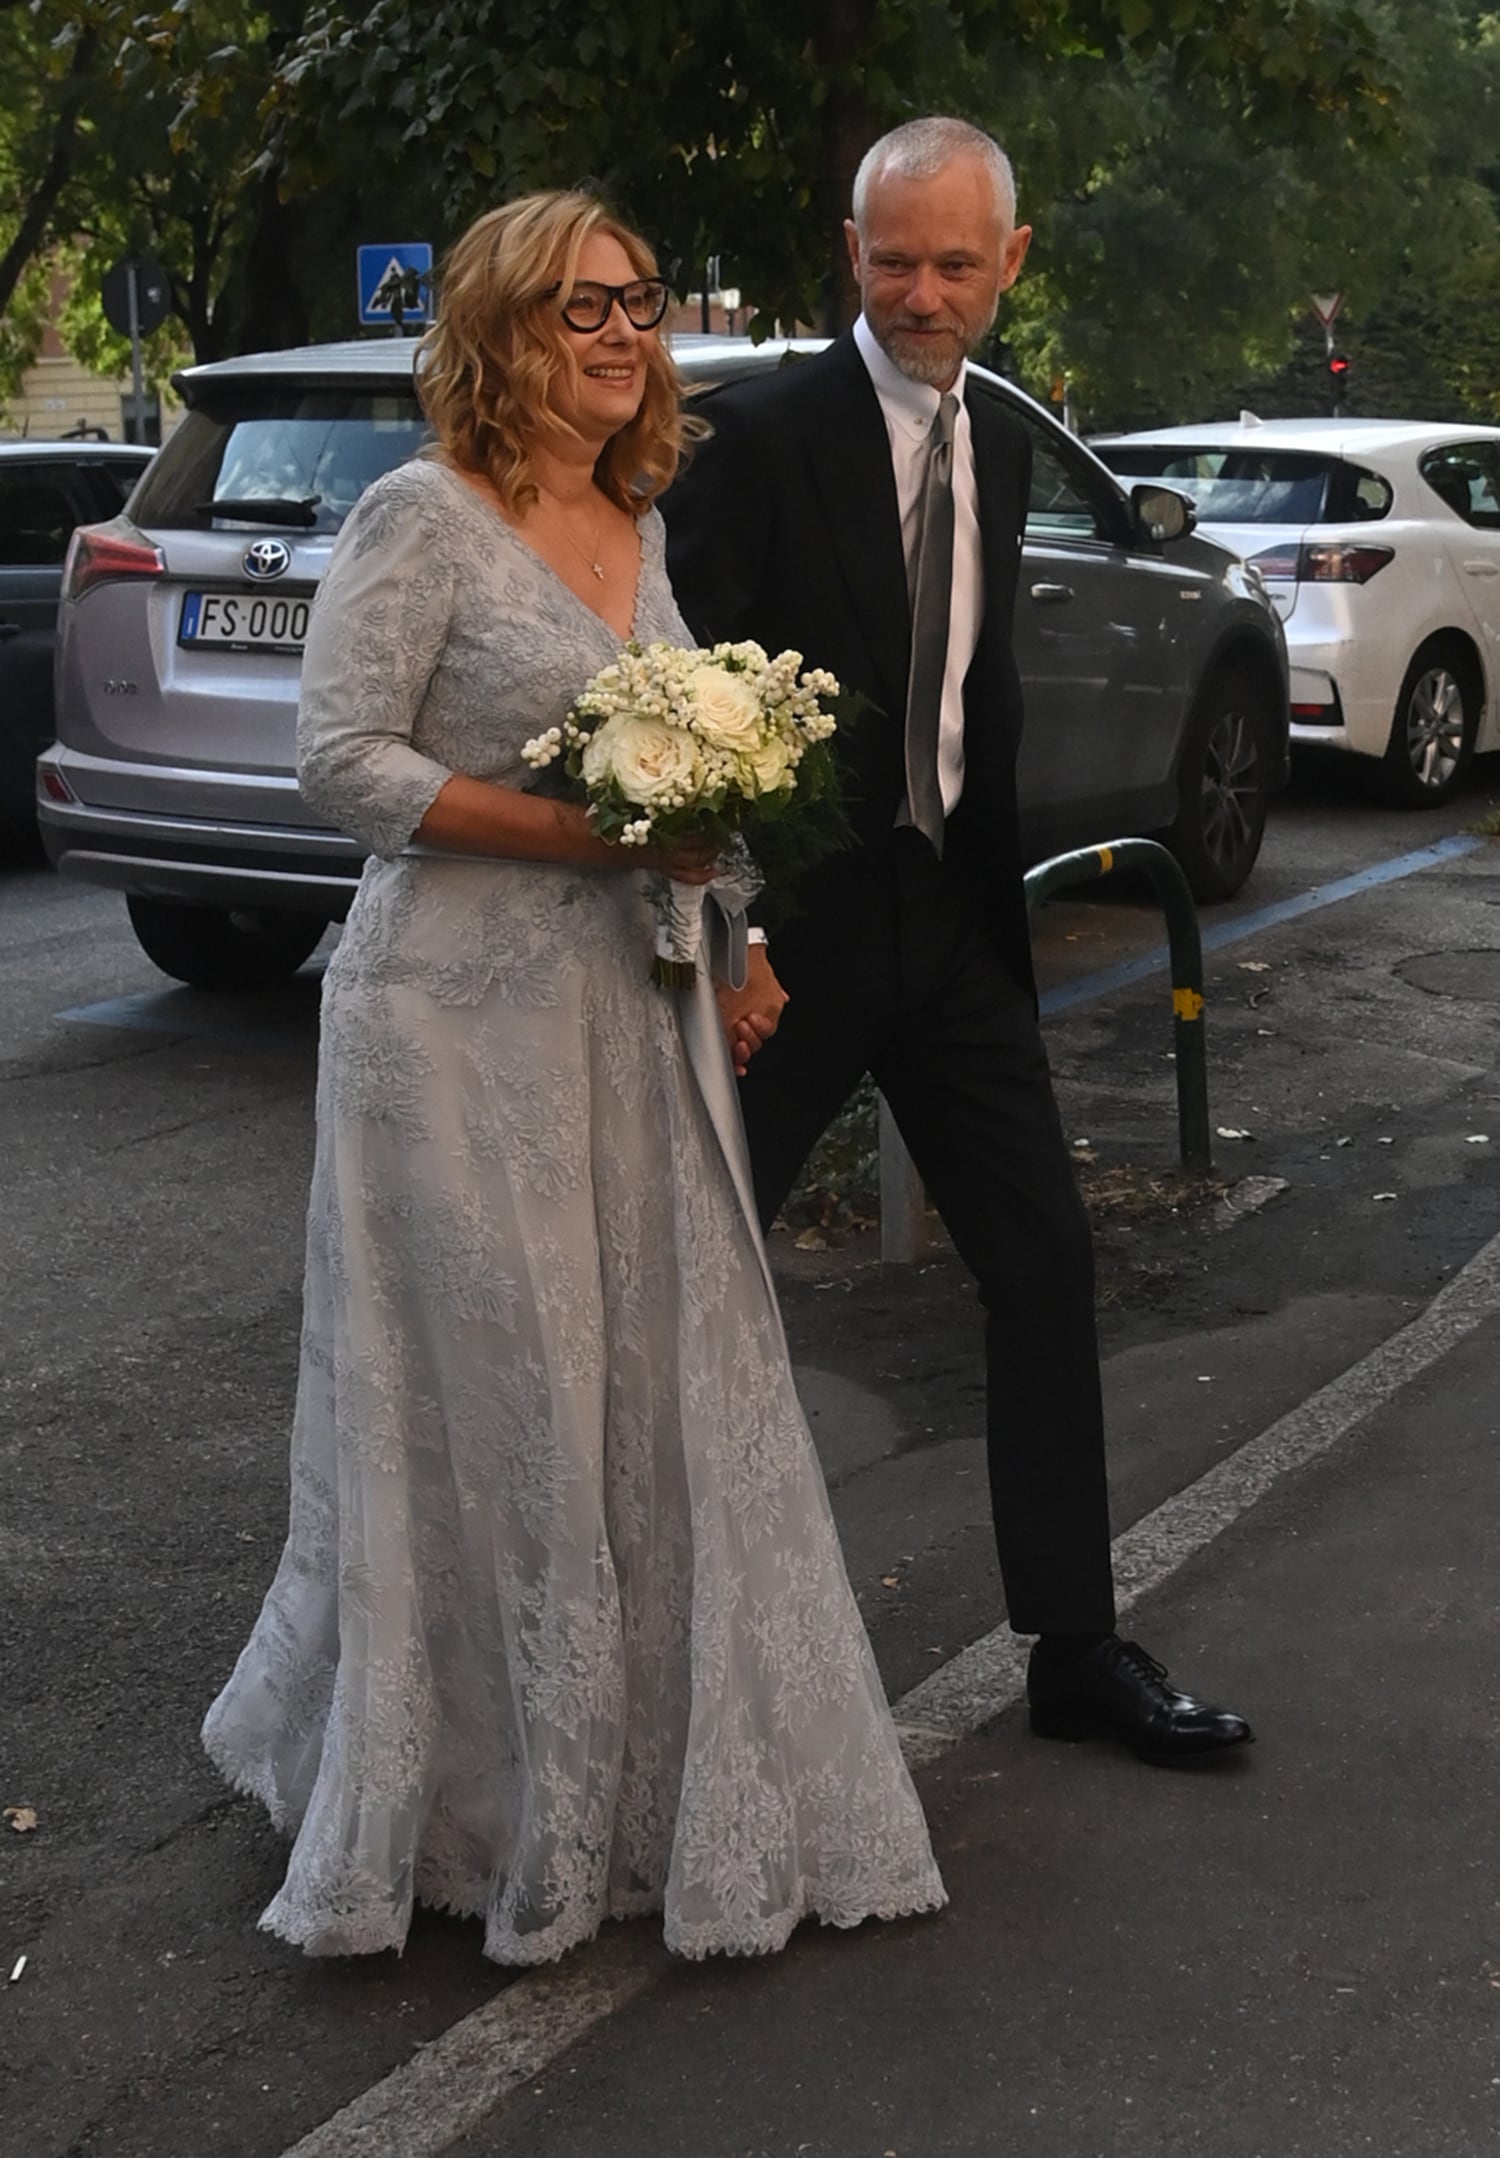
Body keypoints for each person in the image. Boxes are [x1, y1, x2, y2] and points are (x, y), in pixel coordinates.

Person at [202, 189, 945, 1966]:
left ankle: (634, 1788)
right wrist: (585, 836)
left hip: (629, 1014)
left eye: (641, 305)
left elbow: (693, 764)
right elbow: (341, 763)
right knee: (502, 1397)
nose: (624, 336)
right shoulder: (420, 519)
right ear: (499, 329)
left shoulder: (631, 517)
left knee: (648, 1386)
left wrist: (737, 935)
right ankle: (469, 1798)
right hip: (452, 1031)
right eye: (581, 308)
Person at [663, 117, 1253, 1765]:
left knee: (1048, 1268)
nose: (924, 292)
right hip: (786, 951)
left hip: (957, 933)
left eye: (956, 262)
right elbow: (678, 709)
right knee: (692, 1288)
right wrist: (728, 938)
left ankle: (1076, 1648)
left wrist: (998, 910)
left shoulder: (997, 433)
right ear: (849, 254)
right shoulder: (759, 437)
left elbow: (967, 691)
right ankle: (662, 1671)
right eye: (894, 258)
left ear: (1013, 263)